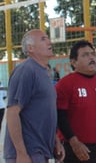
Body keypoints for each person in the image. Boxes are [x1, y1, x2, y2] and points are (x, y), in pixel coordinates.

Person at [3, 29, 65, 163]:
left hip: (41, 151)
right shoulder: (26, 70)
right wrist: (21, 154)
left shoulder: (43, 72)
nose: (49, 41)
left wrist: (56, 141)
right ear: (30, 48)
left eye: (48, 38)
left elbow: (45, 113)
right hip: (28, 154)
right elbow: (13, 113)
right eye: (43, 39)